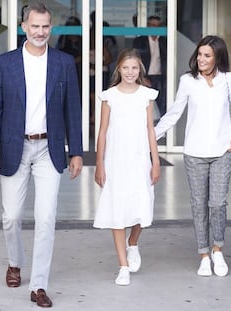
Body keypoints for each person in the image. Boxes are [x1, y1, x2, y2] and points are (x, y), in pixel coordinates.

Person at [0, 2, 83, 307]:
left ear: (51, 27)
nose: (40, 32)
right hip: (14, 147)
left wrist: (75, 152)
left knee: (46, 217)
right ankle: (15, 261)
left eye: (45, 26)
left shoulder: (64, 62)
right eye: (35, 26)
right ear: (24, 26)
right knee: (11, 216)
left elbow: (72, 111)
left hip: (49, 150)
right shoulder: (4, 63)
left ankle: (39, 284)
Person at [154, 35, 231, 277]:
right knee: (199, 206)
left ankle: (218, 249)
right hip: (194, 153)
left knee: (217, 203)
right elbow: (174, 114)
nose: (202, 59)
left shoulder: (229, 80)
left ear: (218, 57)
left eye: (207, 55)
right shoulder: (188, 80)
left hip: (222, 151)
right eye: (200, 54)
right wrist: (151, 136)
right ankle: (204, 254)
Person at [93, 48, 160, 286]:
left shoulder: (146, 95)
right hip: (115, 160)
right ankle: (123, 266)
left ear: (140, 69)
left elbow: (150, 129)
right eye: (125, 67)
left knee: (142, 205)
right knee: (117, 209)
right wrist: (99, 164)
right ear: (118, 69)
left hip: (140, 158)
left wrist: (156, 160)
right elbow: (102, 131)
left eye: (134, 68)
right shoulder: (109, 96)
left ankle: (134, 242)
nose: (130, 72)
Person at [133, 15, 167, 116]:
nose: (155, 28)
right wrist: (141, 77)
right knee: (144, 104)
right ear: (148, 26)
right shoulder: (140, 41)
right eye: (153, 25)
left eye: (158, 26)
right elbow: (135, 60)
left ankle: (161, 129)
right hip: (145, 76)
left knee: (162, 104)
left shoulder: (164, 41)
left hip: (160, 77)